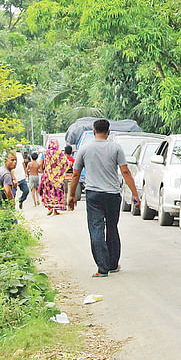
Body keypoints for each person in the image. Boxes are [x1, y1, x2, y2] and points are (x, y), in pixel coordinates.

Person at [68, 119, 139, 278]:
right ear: (108, 132)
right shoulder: (116, 148)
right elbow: (125, 171)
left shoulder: (84, 149)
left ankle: (102, 268)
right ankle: (113, 264)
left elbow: (75, 174)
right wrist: (135, 194)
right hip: (112, 195)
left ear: (94, 132)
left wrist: (71, 195)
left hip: (93, 195)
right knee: (112, 228)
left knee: (96, 229)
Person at [39, 140, 69, 215]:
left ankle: (50, 208)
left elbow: (41, 164)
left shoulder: (45, 153)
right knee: (57, 192)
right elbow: (66, 162)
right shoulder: (59, 153)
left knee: (48, 192)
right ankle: (55, 210)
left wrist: (44, 172)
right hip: (57, 177)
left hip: (47, 176)